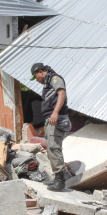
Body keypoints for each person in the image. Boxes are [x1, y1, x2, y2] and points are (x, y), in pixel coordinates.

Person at [30, 63, 71, 191]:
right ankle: (59, 177)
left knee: (54, 147)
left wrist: (55, 112)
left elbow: (61, 93)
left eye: (35, 76)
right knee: (51, 149)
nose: (36, 79)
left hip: (56, 119)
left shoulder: (54, 79)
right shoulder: (47, 84)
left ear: (41, 71)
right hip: (51, 120)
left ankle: (60, 181)